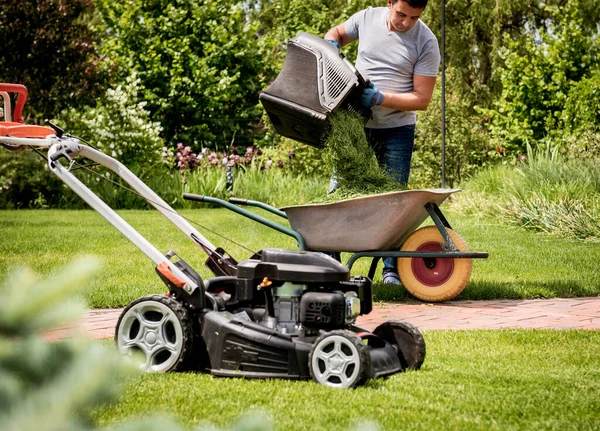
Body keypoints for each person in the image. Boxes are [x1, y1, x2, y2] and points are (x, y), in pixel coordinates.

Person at [324, 0, 440, 285]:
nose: (405, 22)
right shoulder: (367, 18)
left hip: (396, 130)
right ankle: (329, 266)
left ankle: (391, 270)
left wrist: (381, 98)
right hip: (355, 125)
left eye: (414, 17)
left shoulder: (426, 41)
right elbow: (336, 33)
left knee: (393, 201)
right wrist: (331, 47)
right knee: (338, 193)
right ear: (389, 2)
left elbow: (422, 99)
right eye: (401, 14)